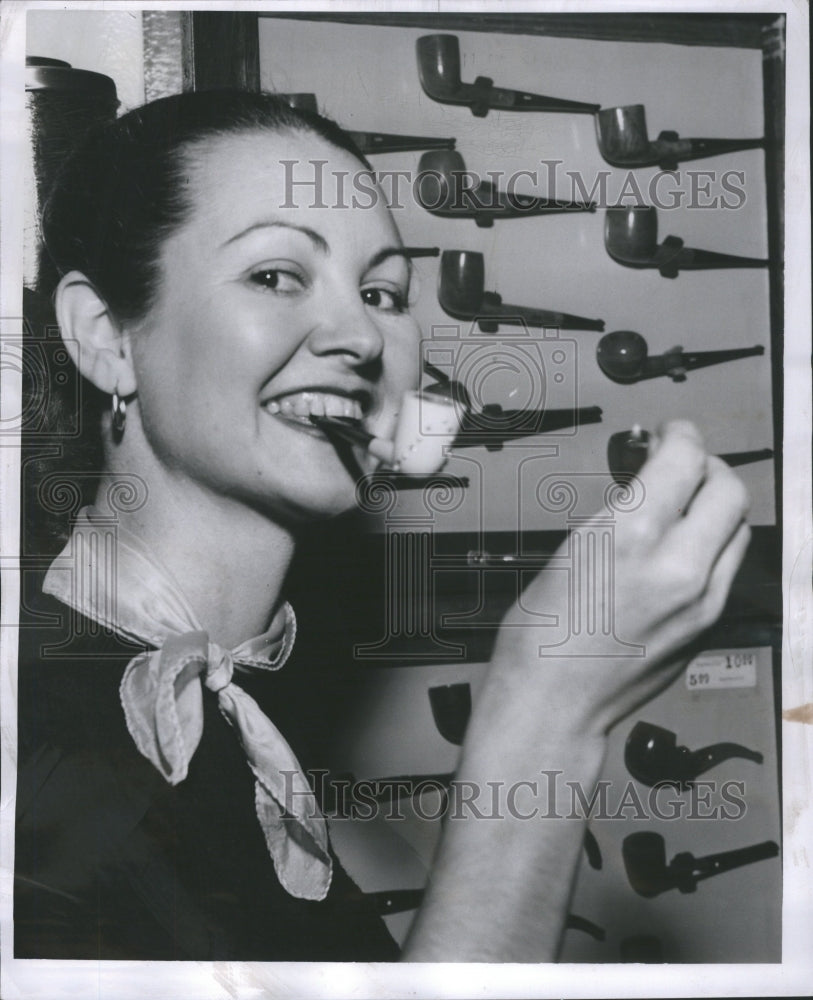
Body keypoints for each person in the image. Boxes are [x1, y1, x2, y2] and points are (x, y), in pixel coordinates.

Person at [14, 90, 751, 962]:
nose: (360, 335)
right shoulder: (39, 757)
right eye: (275, 275)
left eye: (382, 291)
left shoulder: (222, 716)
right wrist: (545, 710)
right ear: (105, 336)